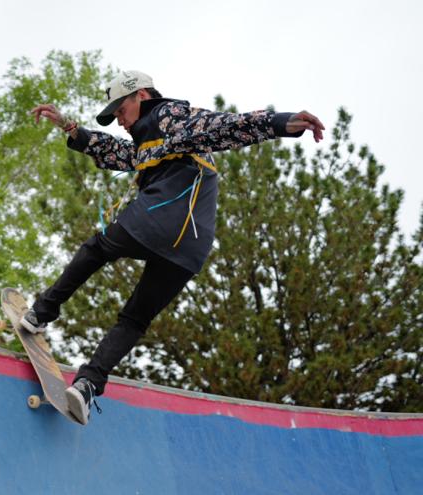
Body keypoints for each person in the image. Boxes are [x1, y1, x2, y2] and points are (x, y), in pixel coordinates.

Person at [25, 70, 325, 425]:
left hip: (160, 218)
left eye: (121, 110)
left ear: (142, 96)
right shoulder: (149, 142)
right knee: (136, 318)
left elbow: (224, 125)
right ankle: (88, 384)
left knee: (97, 249)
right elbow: (114, 152)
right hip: (191, 249)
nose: (120, 121)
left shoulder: (167, 116)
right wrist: (70, 128)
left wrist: (282, 122)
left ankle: (41, 312)